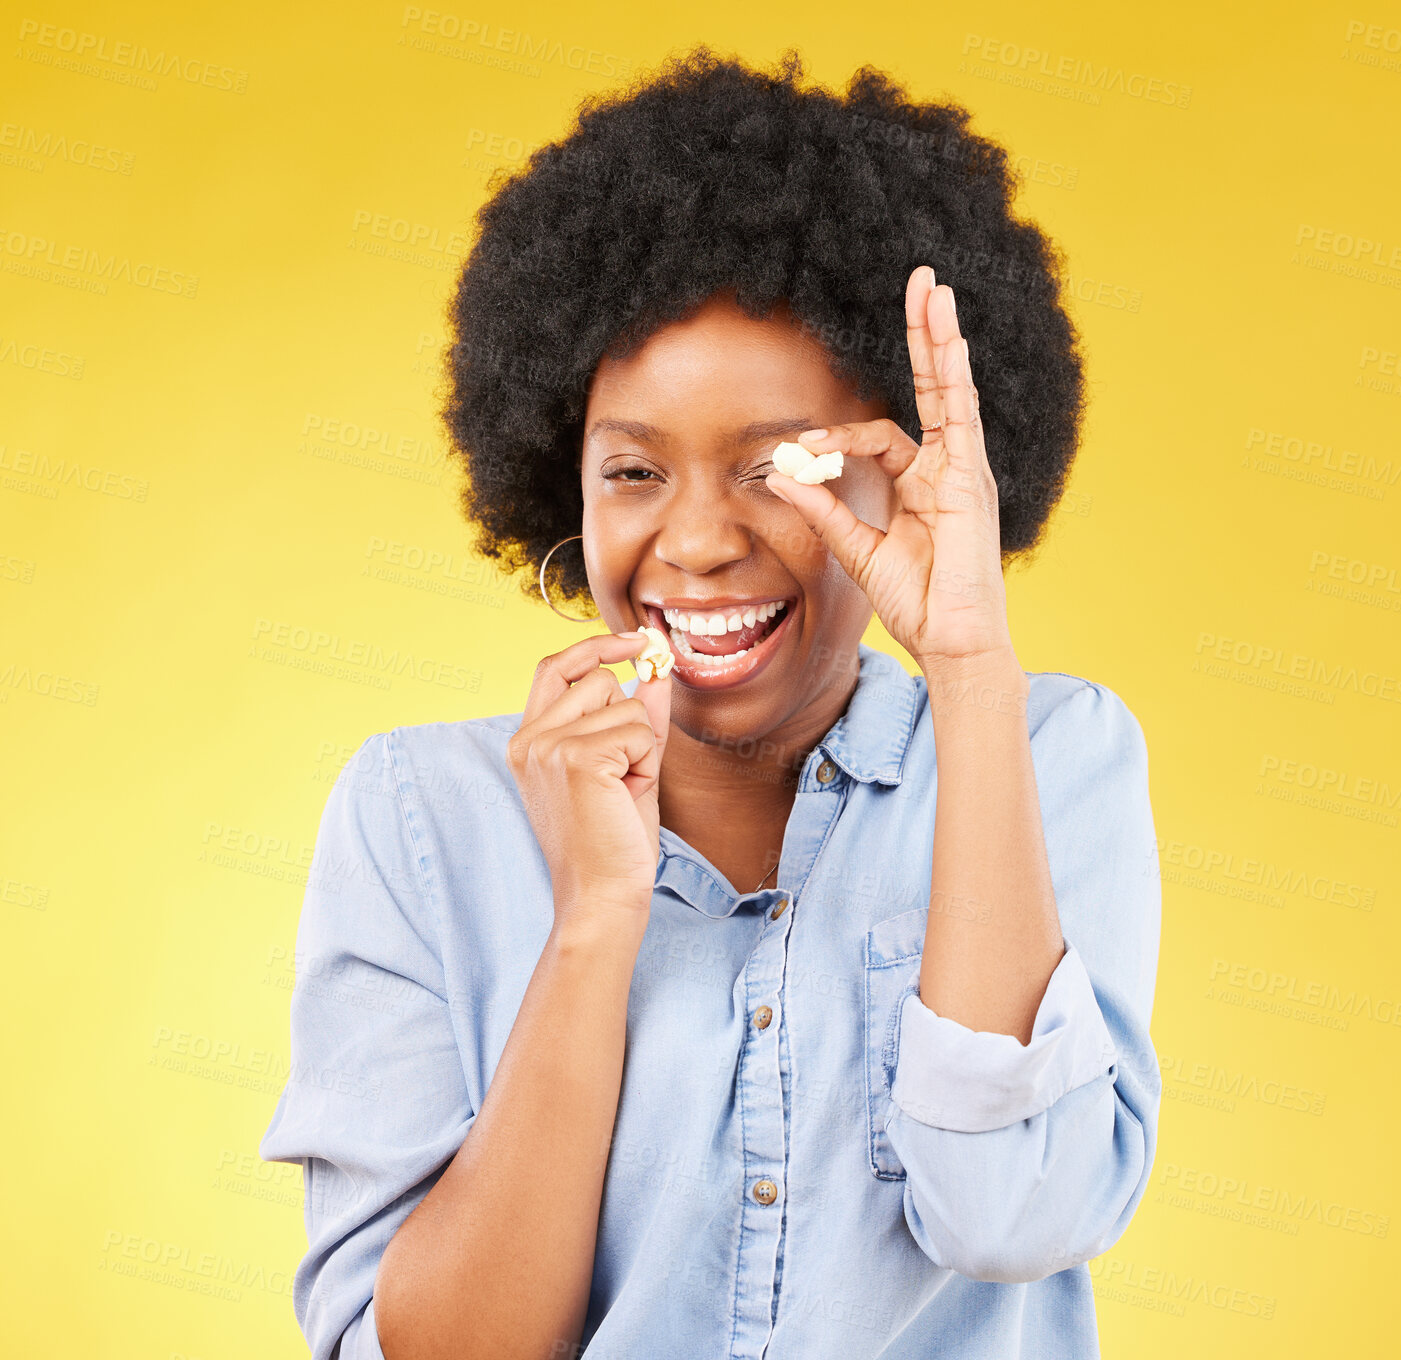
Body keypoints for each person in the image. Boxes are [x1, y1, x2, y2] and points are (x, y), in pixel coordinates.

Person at [259, 46, 1162, 1360]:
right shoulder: (419, 816)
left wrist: (968, 666)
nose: (692, 542)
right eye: (634, 470)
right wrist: (594, 925)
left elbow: (1014, 1218)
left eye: (781, 468)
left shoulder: (1042, 750)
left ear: (901, 476)